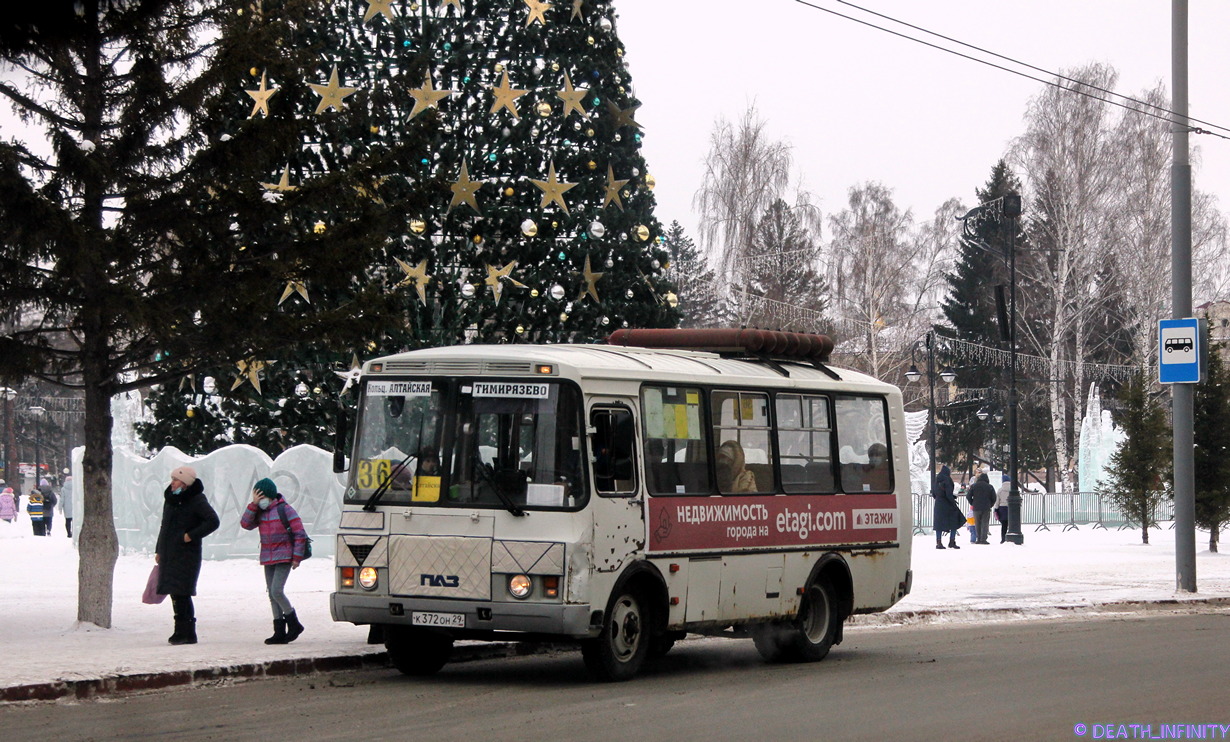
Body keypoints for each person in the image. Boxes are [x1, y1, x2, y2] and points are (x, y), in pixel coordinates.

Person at [155, 465, 220, 645]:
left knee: (182, 592)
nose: (172, 483)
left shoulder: (197, 500)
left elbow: (213, 521)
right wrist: (159, 549)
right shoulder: (171, 500)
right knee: (174, 593)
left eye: (176, 479)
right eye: (172, 479)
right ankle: (182, 632)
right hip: (169, 552)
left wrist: (190, 535)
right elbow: (164, 526)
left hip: (186, 554)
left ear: (185, 483)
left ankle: (186, 632)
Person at [240, 477, 309, 645]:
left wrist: (297, 557)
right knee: (271, 594)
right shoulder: (260, 512)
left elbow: (300, 533)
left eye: (262, 498)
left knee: (277, 590)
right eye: (257, 497)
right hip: (268, 556)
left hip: (284, 556)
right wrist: (253, 504)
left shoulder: (285, 510)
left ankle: (294, 623)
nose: (261, 501)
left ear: (270, 496)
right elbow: (245, 524)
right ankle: (279, 631)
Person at [931, 465, 963, 549]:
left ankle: (938, 542)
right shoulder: (947, 480)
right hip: (947, 504)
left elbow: (934, 493)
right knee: (954, 522)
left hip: (938, 504)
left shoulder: (936, 480)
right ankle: (952, 541)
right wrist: (953, 501)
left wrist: (939, 499)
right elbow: (948, 494)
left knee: (939, 524)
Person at [966, 472, 997, 545]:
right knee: (985, 523)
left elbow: (968, 496)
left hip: (976, 507)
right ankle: (983, 539)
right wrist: (990, 504)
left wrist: (972, 503)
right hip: (986, 507)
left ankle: (978, 538)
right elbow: (994, 498)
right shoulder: (990, 487)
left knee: (977, 523)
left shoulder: (974, 486)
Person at [996, 476, 1012, 544]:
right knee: (1011, 524)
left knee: (1004, 525)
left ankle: (1003, 538)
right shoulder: (1013, 489)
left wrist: (996, 509)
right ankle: (1010, 537)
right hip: (1011, 508)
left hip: (1002, 508)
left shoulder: (1000, 490)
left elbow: (997, 501)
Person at [60, 471, 74, 538]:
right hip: (74, 507)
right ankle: (74, 532)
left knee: (68, 521)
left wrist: (60, 507)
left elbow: (62, 499)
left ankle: (69, 533)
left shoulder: (63, 489)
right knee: (74, 521)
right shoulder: (75, 488)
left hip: (66, 507)